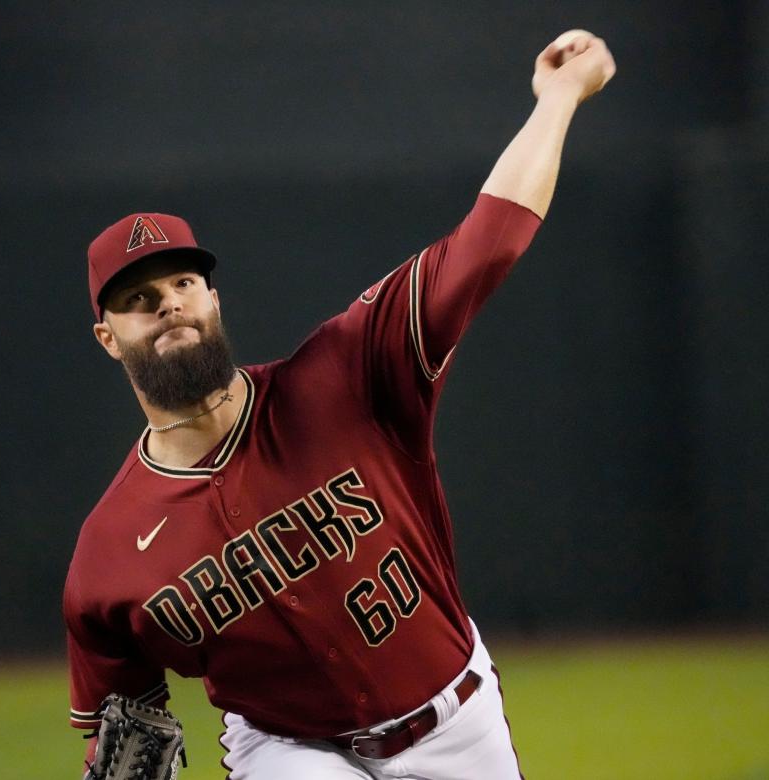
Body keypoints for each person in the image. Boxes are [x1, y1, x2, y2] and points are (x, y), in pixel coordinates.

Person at [65, 30, 615, 780]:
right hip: (288, 751)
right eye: (139, 300)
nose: (168, 306)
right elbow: (122, 721)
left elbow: (486, 243)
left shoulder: (345, 375)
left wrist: (557, 99)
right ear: (107, 337)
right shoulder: (106, 557)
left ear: (213, 297)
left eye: (182, 284)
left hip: (457, 720)